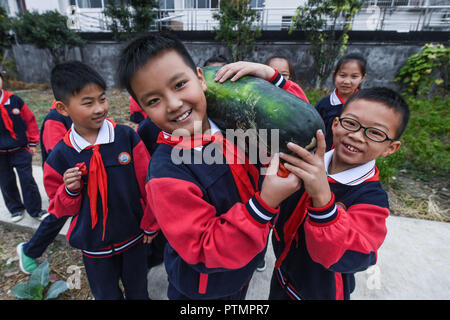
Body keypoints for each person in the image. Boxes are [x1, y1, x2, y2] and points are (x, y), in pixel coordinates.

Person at [117, 33, 302, 300]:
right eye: (153, 100)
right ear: (142, 108)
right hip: (202, 289)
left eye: (180, 84)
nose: (173, 104)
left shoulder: (232, 124)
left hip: (242, 268)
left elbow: (298, 120)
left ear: (201, 79)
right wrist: (265, 204)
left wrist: (272, 77)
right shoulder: (166, 174)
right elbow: (203, 249)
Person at [269, 87, 410, 300]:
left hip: (319, 292)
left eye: (375, 133)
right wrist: (275, 79)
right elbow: (296, 109)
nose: (356, 136)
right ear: (335, 124)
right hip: (282, 272)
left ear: (391, 148)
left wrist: (324, 203)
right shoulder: (307, 159)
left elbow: (357, 256)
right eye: (350, 123)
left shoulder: (372, 200)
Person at [43, 61, 153, 300]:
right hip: (93, 247)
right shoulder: (60, 156)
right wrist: (69, 190)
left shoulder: (126, 137)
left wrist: (151, 221)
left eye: (102, 99)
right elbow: (57, 207)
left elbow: (148, 183)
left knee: (139, 291)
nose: (99, 108)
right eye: (88, 102)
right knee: (105, 294)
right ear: (62, 108)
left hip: (133, 236)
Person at [16, 100, 72, 274]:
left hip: (78, 178)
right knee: (58, 216)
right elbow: (59, 155)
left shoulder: (78, 113)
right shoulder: (55, 118)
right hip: (64, 181)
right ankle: (29, 251)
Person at [0, 73, 48, 222]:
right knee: (6, 182)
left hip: (20, 149)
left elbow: (30, 121)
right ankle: (15, 209)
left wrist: (32, 143)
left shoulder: (15, 101)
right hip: (1, 153)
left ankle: (35, 209)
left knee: (27, 180)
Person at [315, 53, 367, 151]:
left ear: (362, 78)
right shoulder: (324, 105)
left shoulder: (366, 105)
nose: (347, 81)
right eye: (342, 75)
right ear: (334, 75)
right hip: (325, 156)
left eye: (354, 77)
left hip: (353, 155)